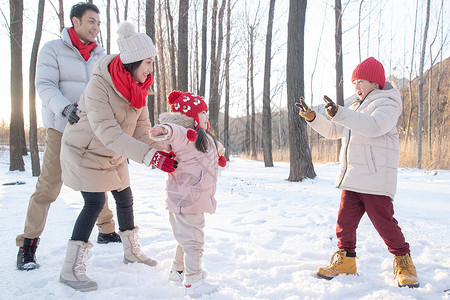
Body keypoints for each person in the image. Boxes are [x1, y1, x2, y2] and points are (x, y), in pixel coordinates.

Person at [58, 21, 177, 292]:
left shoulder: (139, 88)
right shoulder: (100, 86)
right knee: (95, 202)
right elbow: (108, 133)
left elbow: (141, 130)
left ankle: (131, 251)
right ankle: (70, 269)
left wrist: (166, 148)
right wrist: (150, 158)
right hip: (85, 151)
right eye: (147, 62)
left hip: (114, 154)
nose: (150, 69)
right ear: (133, 61)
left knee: (124, 196)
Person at [296, 57, 419, 288]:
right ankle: (346, 261)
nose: (356, 87)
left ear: (375, 82)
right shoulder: (355, 106)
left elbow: (374, 127)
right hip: (353, 177)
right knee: (345, 222)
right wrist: (314, 118)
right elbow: (334, 131)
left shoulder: (388, 104)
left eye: (360, 81)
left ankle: (403, 260)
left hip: (375, 178)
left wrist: (341, 113)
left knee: (384, 223)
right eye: (354, 82)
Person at [16, 2, 120, 272]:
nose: (96, 27)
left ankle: (107, 230)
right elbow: (45, 85)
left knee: (97, 180)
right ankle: (27, 245)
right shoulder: (53, 49)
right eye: (91, 22)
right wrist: (64, 107)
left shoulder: (102, 55)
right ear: (75, 21)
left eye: (99, 23)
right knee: (48, 187)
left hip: (91, 131)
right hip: (62, 128)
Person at [149, 90, 226, 298]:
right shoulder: (186, 135)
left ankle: (178, 270)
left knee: (186, 237)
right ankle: (193, 281)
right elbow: (173, 131)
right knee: (194, 241)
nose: (206, 117)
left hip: (190, 198)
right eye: (203, 113)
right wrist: (163, 129)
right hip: (188, 198)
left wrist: (220, 150)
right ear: (192, 117)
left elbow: (212, 147)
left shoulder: (202, 137)